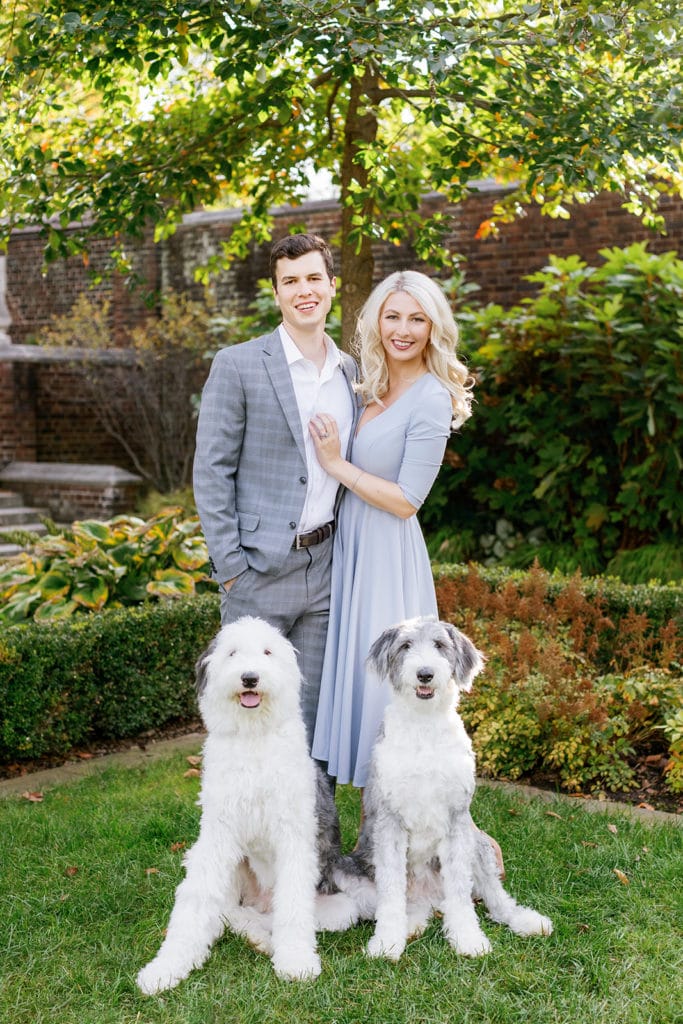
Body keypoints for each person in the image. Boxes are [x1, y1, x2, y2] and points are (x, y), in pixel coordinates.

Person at [309, 269, 474, 788]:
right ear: (377, 320)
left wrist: (338, 465)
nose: (402, 329)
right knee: (358, 679)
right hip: (352, 548)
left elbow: (407, 501)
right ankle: (367, 839)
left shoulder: (430, 397)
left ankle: (395, 831)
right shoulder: (369, 384)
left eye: (417, 318)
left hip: (386, 555)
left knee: (387, 684)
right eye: (393, 315)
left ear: (433, 328)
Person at [192, 233, 358, 745]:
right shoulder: (238, 364)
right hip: (256, 571)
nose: (303, 290)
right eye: (290, 282)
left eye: (313, 278)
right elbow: (211, 470)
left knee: (311, 720)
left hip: (325, 568)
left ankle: (314, 828)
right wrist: (231, 569)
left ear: (333, 286)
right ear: (276, 292)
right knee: (247, 724)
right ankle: (241, 824)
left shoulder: (351, 371)